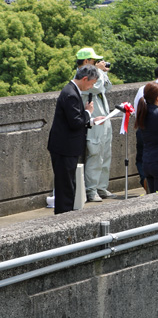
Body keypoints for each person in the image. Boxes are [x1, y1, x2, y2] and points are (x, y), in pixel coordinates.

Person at [47, 64, 101, 214]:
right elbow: (75, 122)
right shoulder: (70, 93)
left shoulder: (71, 90)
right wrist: (88, 113)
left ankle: (66, 214)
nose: (91, 87)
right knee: (66, 186)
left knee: (69, 184)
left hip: (65, 146)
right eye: (91, 83)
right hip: (64, 147)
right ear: (84, 79)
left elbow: (75, 119)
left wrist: (91, 120)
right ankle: (64, 216)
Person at [75, 47, 115, 202]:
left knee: (106, 154)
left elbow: (107, 87)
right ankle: (91, 190)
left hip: (104, 119)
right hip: (93, 121)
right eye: (94, 61)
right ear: (86, 62)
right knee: (95, 154)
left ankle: (101, 187)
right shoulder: (81, 78)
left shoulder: (96, 75)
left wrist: (102, 72)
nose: (97, 63)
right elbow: (98, 87)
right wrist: (98, 72)